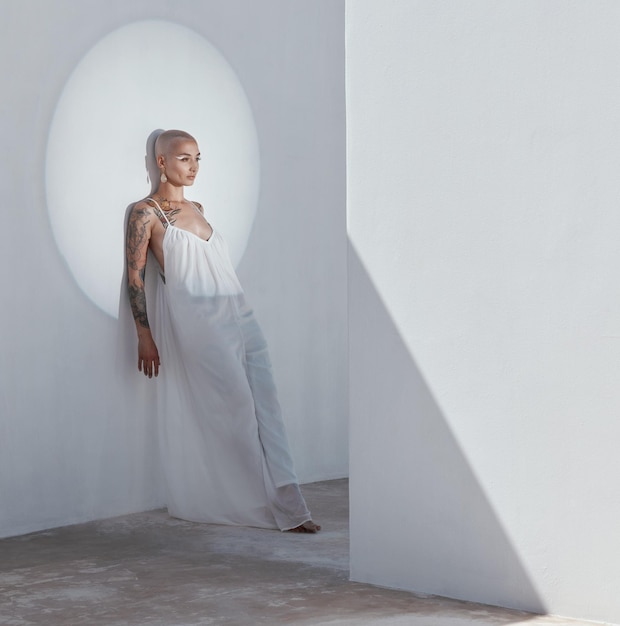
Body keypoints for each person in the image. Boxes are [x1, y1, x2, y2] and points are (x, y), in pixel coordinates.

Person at [124, 129, 320, 533]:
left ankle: (289, 504)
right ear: (161, 162)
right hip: (199, 323)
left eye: (198, 158)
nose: (193, 167)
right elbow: (136, 276)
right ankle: (258, 505)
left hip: (239, 313)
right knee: (236, 411)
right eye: (183, 158)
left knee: (268, 405)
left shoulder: (197, 206)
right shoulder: (146, 213)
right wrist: (144, 335)